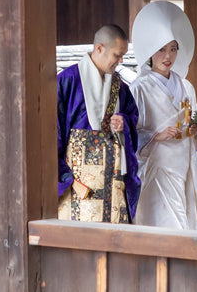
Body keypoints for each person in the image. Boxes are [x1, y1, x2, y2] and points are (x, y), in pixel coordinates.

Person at [129, 1, 197, 230]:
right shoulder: (139, 88)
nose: (168, 56)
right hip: (158, 165)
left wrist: (195, 130)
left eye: (173, 48)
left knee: (184, 214)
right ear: (149, 52)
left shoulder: (186, 87)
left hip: (183, 162)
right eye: (161, 49)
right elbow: (130, 132)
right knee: (169, 224)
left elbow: (194, 127)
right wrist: (156, 135)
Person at [56, 24, 140, 222]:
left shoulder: (120, 88)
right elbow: (53, 135)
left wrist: (124, 124)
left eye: (122, 56)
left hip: (113, 183)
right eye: (117, 55)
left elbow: (133, 119)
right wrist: (65, 179)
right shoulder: (66, 82)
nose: (120, 61)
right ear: (99, 48)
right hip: (77, 185)